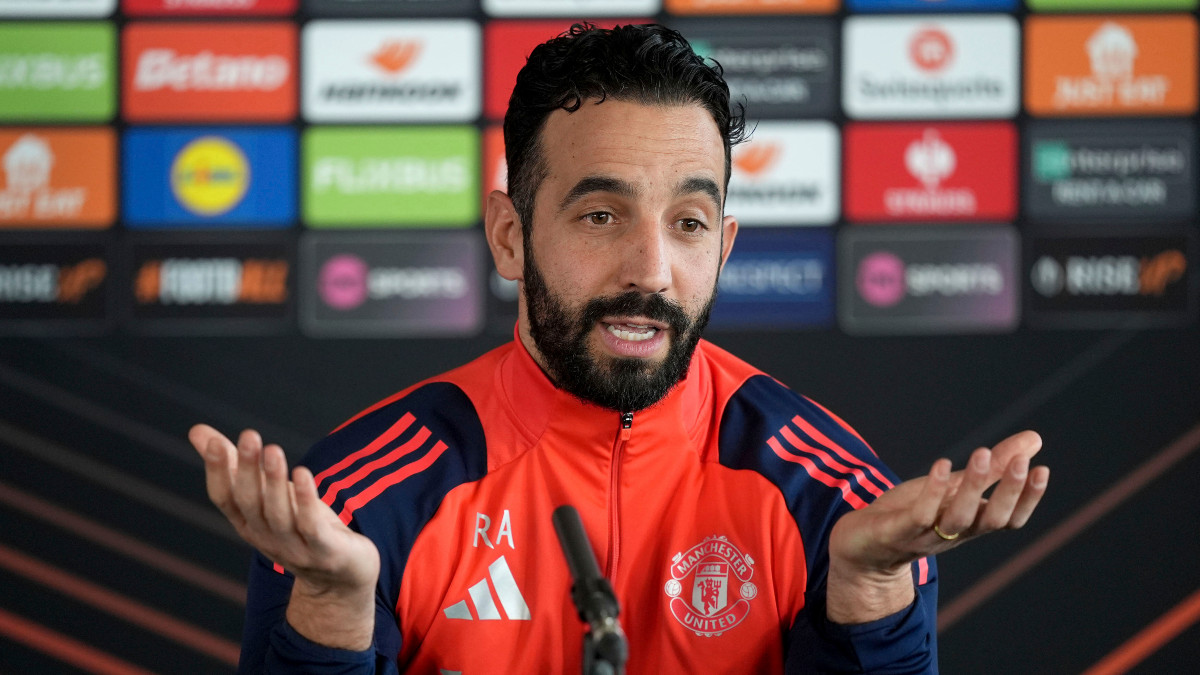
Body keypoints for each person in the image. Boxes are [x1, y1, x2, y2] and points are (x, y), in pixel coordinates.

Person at [188, 23, 1050, 674]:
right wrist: (336, 605)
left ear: (726, 245)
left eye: (688, 224)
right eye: (601, 216)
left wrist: (868, 593)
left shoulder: (833, 496)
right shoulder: (355, 502)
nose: (653, 271)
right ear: (509, 236)